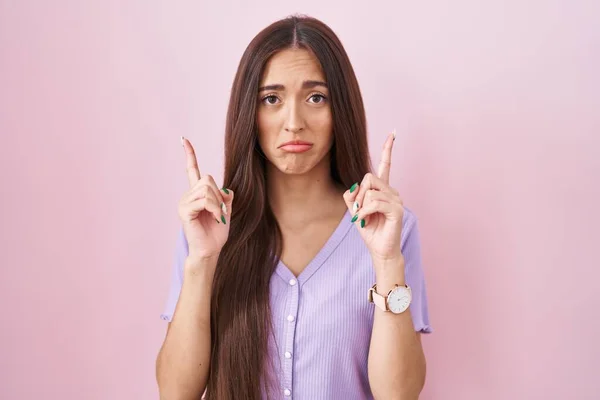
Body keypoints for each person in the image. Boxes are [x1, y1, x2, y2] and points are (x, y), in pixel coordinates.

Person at [156, 14, 432, 400]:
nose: (294, 122)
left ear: (341, 111)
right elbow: (175, 392)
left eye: (316, 97)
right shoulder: (207, 228)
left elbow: (399, 395)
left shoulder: (392, 230)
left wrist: (387, 264)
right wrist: (202, 262)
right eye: (272, 99)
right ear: (249, 115)